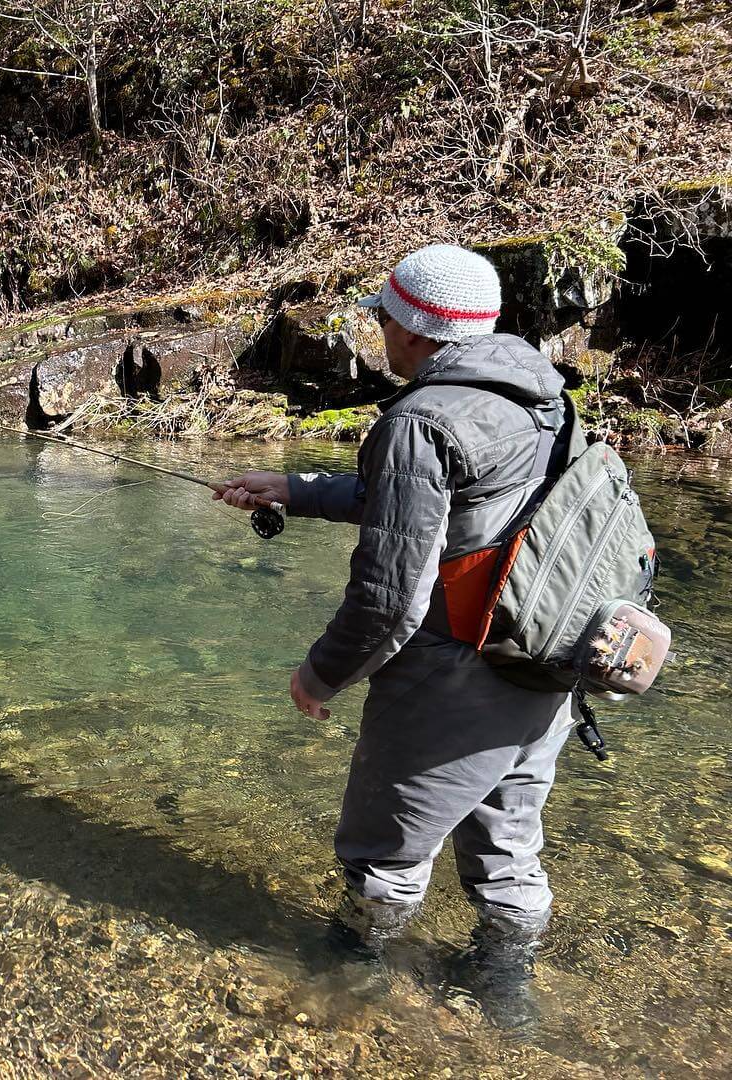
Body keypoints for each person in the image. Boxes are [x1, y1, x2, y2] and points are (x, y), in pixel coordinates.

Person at [217, 244, 574, 1025]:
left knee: (385, 854)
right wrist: (297, 489)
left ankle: (346, 990)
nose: (378, 328)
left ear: (413, 330)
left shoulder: (419, 419)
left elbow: (388, 599)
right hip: (544, 660)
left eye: (384, 315)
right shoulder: (535, 391)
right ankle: (504, 996)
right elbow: (458, 508)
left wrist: (320, 677)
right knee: (509, 849)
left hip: (454, 674)